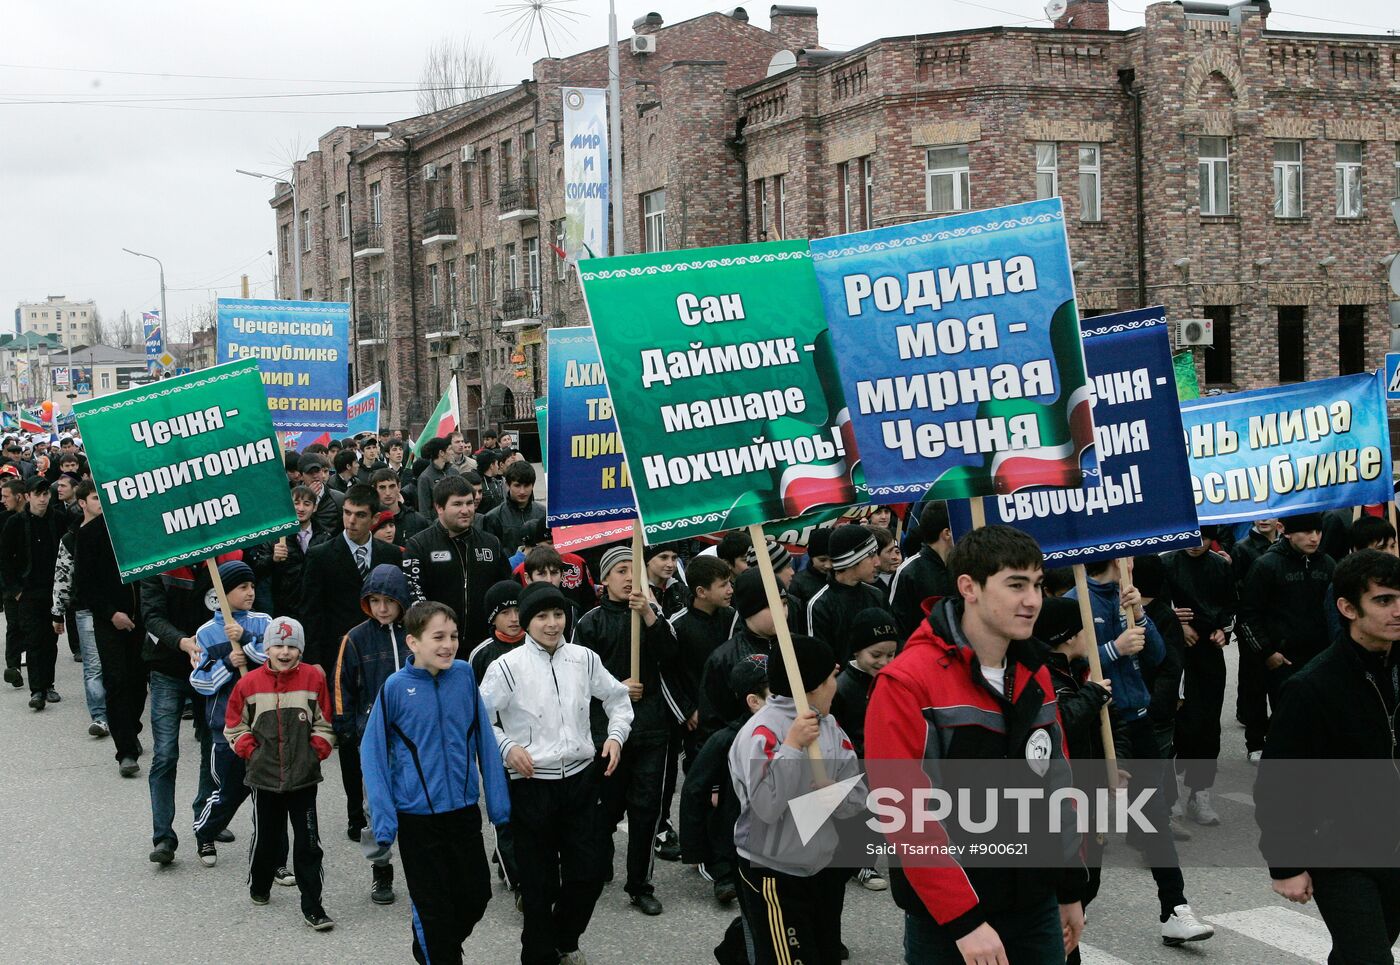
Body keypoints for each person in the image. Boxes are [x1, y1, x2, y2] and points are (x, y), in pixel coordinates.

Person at [864, 525, 1090, 962]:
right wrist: (963, 921)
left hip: (1036, 906)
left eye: (1038, 585)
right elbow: (907, 815)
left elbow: (1057, 785)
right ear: (969, 587)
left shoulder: (1034, 671)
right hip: (950, 922)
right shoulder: (908, 683)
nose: (1032, 600)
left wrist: (1069, 888)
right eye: (1016, 585)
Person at [478, 581, 635, 965]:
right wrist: (507, 748)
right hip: (531, 785)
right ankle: (539, 953)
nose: (552, 624)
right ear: (527, 622)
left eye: (559, 614)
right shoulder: (506, 667)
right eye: (542, 616)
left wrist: (615, 736)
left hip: (581, 779)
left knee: (590, 872)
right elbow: (480, 717)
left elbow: (618, 699)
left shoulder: (583, 658)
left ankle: (565, 938)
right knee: (539, 884)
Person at [1256, 549, 1400, 963]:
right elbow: (1279, 781)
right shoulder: (1313, 686)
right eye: (1383, 600)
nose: (1396, 611)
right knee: (1370, 958)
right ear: (1347, 608)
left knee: (1364, 952)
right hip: (1340, 851)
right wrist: (1285, 862)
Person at [1068, 555, 1214, 945]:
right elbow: (1069, 662)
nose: (1132, 562)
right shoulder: (1075, 600)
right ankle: (1071, 911)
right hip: (1100, 726)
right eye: (1126, 556)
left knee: (1154, 814)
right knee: (1093, 827)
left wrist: (1140, 616)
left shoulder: (1127, 599)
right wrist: (1114, 649)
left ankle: (1174, 908)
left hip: (1138, 719)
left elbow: (1159, 656)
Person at [361, 600, 511, 964]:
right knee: (435, 912)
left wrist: (499, 805)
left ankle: (431, 941)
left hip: (462, 812)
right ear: (413, 643)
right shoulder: (395, 688)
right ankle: (437, 946)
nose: (449, 645)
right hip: (418, 820)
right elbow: (373, 754)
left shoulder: (463, 676)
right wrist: (384, 820)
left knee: (477, 896)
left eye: (454, 636)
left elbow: (485, 743)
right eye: (438, 637)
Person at [730, 634, 864, 965]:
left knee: (826, 954)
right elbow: (766, 808)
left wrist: (833, 793)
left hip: (822, 865)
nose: (838, 684)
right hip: (773, 870)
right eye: (832, 677)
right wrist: (792, 747)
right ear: (813, 686)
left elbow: (858, 796)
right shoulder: (761, 733)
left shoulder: (830, 726)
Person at [574, 545, 682, 914]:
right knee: (605, 807)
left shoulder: (654, 615)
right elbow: (578, 681)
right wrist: (617, 687)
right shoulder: (589, 622)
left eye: (633, 569)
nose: (627, 577)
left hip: (652, 728)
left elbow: (671, 656)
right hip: (608, 732)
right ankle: (598, 860)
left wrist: (650, 617)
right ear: (604, 579)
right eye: (620, 570)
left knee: (646, 810)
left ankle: (640, 883)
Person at [300, 484, 403, 842]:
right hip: (340, 660)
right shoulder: (322, 555)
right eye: (347, 513)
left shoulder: (391, 554)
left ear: (375, 519)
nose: (352, 521)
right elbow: (311, 612)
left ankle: (391, 801)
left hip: (383, 658)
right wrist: (313, 663)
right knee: (349, 734)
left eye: (361, 515)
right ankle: (354, 811)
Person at [225, 616, 336, 931]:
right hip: (264, 777)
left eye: (291, 646)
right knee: (267, 839)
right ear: (266, 648)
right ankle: (260, 882)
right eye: (278, 645)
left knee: (309, 844)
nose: (284, 652)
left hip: (304, 778)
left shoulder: (314, 678)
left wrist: (315, 753)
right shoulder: (248, 684)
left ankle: (313, 906)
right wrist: (252, 752)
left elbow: (325, 722)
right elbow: (234, 725)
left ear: (300, 649)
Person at [140, 557, 234, 865]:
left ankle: (205, 821)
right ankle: (163, 836)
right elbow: (151, 616)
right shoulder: (156, 564)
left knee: (213, 746)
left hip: (210, 670)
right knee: (165, 753)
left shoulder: (220, 561)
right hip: (167, 668)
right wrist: (181, 642)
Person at [333, 563, 413, 906]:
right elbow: (341, 687)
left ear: (402, 601)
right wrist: (346, 728)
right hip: (374, 737)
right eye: (375, 600)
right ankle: (381, 870)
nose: (382, 608)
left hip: (414, 735)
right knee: (373, 807)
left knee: (417, 802)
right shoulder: (355, 638)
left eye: (389, 601)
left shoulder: (415, 632)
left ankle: (423, 868)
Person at [190, 560, 271, 867]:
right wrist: (227, 663)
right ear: (223, 594)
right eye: (242, 587)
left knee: (267, 794)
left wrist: (248, 644)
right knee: (228, 791)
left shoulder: (263, 622)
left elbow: (277, 659)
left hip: (263, 722)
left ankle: (271, 855)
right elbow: (200, 681)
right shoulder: (207, 633)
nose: (250, 592)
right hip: (226, 725)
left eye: (252, 586)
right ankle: (205, 831)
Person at [1239, 511, 1335, 748]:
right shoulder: (1266, 565)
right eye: (1306, 532)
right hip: (1282, 659)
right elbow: (1248, 615)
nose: (1314, 538)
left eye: (1318, 531)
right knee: (1286, 718)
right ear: (1287, 531)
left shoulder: (1328, 564)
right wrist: (1267, 652)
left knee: (1316, 717)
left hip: (1320, 657)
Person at [1161, 529, 1236, 827]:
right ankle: (1171, 791)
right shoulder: (1166, 564)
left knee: (1208, 723)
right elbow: (1151, 607)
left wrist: (1223, 631)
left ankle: (1200, 791)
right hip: (1177, 654)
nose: (1197, 545)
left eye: (1204, 540)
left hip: (1209, 653)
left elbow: (1231, 607)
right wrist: (1176, 627)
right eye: (1192, 538)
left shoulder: (1221, 566)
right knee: (1178, 721)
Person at [680, 655, 767, 906]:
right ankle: (723, 872)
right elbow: (694, 790)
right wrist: (698, 850)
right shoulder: (726, 739)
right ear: (753, 701)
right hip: (732, 837)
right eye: (776, 694)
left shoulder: (793, 732)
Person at [74, 479, 146, 777]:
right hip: (109, 621)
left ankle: (131, 727)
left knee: (139, 682)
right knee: (116, 681)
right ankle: (126, 751)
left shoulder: (139, 528)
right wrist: (111, 612)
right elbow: (85, 584)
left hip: (141, 619)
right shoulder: (89, 535)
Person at [467, 579, 527, 900]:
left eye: (518, 609)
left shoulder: (536, 644)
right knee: (504, 814)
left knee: (531, 813)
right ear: (492, 617)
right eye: (505, 612)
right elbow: (474, 707)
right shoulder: (481, 655)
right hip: (496, 748)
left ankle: (526, 865)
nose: (514, 617)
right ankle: (518, 881)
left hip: (533, 744)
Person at [830, 608, 898, 893]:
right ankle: (861, 862)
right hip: (856, 763)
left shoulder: (891, 680)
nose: (883, 662)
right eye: (876, 655)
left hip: (884, 760)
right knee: (860, 816)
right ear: (857, 650)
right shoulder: (843, 686)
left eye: (891, 656)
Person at [403, 475, 510, 644]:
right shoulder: (419, 546)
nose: (466, 510)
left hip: (485, 642)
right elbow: (415, 597)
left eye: (469, 503)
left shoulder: (492, 543)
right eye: (457, 504)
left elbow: (505, 589)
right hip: (439, 645)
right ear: (439, 507)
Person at [697, 568, 784, 744]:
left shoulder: (797, 647)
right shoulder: (724, 658)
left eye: (784, 603)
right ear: (750, 610)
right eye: (770, 606)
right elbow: (712, 725)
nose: (781, 612)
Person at [1, 476, 65, 710]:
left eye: (46, 494)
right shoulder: (15, 523)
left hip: (53, 591)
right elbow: (5, 559)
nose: (43, 499)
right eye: (38, 494)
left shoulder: (58, 519)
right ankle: (37, 690)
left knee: (51, 639)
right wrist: (15, 590)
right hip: (27, 592)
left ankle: (49, 685)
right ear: (27, 497)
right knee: (34, 639)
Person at [51, 481, 106, 734]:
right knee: (94, 665)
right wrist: (58, 611)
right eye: (96, 498)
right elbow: (63, 576)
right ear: (82, 502)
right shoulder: (71, 538)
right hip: (86, 610)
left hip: (118, 607)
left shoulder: (116, 533)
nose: (100, 503)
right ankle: (99, 716)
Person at [806, 524, 894, 659]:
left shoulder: (877, 595)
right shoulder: (821, 605)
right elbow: (821, 660)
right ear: (851, 561)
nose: (877, 562)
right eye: (871, 555)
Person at [249, 485, 327, 618]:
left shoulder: (325, 537)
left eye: (306, 504)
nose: (301, 508)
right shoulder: (275, 538)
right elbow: (257, 570)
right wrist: (273, 559)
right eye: (296, 503)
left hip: (316, 609)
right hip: (285, 609)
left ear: (314, 507)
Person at [889, 501, 956, 637]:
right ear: (947, 533)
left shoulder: (963, 566)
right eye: (958, 524)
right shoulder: (908, 572)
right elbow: (898, 628)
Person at [479, 461, 546, 556]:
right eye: (517, 485)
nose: (522, 491)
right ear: (507, 485)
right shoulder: (493, 517)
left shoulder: (543, 513)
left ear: (532, 485)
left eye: (526, 485)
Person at [0, 477, 25, 689]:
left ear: (19, 497)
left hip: (34, 583)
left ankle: (43, 682)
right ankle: (13, 666)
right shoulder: (3, 519)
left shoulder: (34, 518)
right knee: (14, 624)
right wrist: (12, 588)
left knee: (36, 629)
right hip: (10, 584)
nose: (2, 500)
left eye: (6, 496)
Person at [370, 468, 430, 547]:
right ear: (374, 489)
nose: (387, 493)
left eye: (392, 486)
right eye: (382, 487)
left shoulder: (417, 520)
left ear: (399, 487)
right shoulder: (368, 520)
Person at [786, 529, 831, 625]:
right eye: (822, 560)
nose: (828, 565)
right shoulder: (798, 583)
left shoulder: (840, 578)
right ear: (811, 556)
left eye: (832, 559)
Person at [299, 453, 345, 537]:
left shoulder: (338, 499)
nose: (315, 476)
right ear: (301, 476)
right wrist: (309, 498)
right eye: (310, 472)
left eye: (317, 471)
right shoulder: (292, 500)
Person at [644, 542, 690, 619]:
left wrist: (658, 611)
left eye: (674, 558)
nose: (670, 564)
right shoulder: (634, 591)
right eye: (664, 557)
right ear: (648, 560)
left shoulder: (681, 590)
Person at [415, 437, 458, 517]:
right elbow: (424, 509)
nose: (452, 452)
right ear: (441, 452)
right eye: (450, 449)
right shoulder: (425, 478)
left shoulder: (454, 472)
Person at [870, 525, 903, 598]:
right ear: (874, 554)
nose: (895, 557)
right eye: (889, 551)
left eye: (897, 551)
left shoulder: (904, 578)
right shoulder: (872, 591)